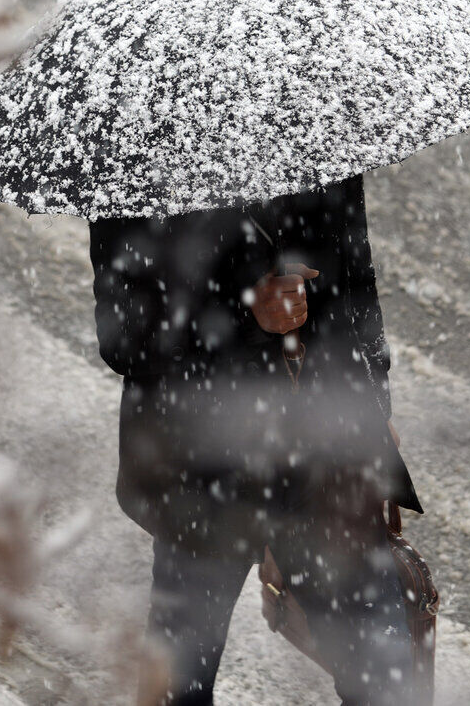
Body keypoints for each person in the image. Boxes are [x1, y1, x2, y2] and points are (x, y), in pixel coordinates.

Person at [89, 173, 423, 705]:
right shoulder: (138, 156)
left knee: (387, 683)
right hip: (203, 470)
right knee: (179, 686)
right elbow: (124, 334)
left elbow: (354, 268)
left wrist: (376, 401)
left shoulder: (314, 129)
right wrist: (246, 312)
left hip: (326, 455)